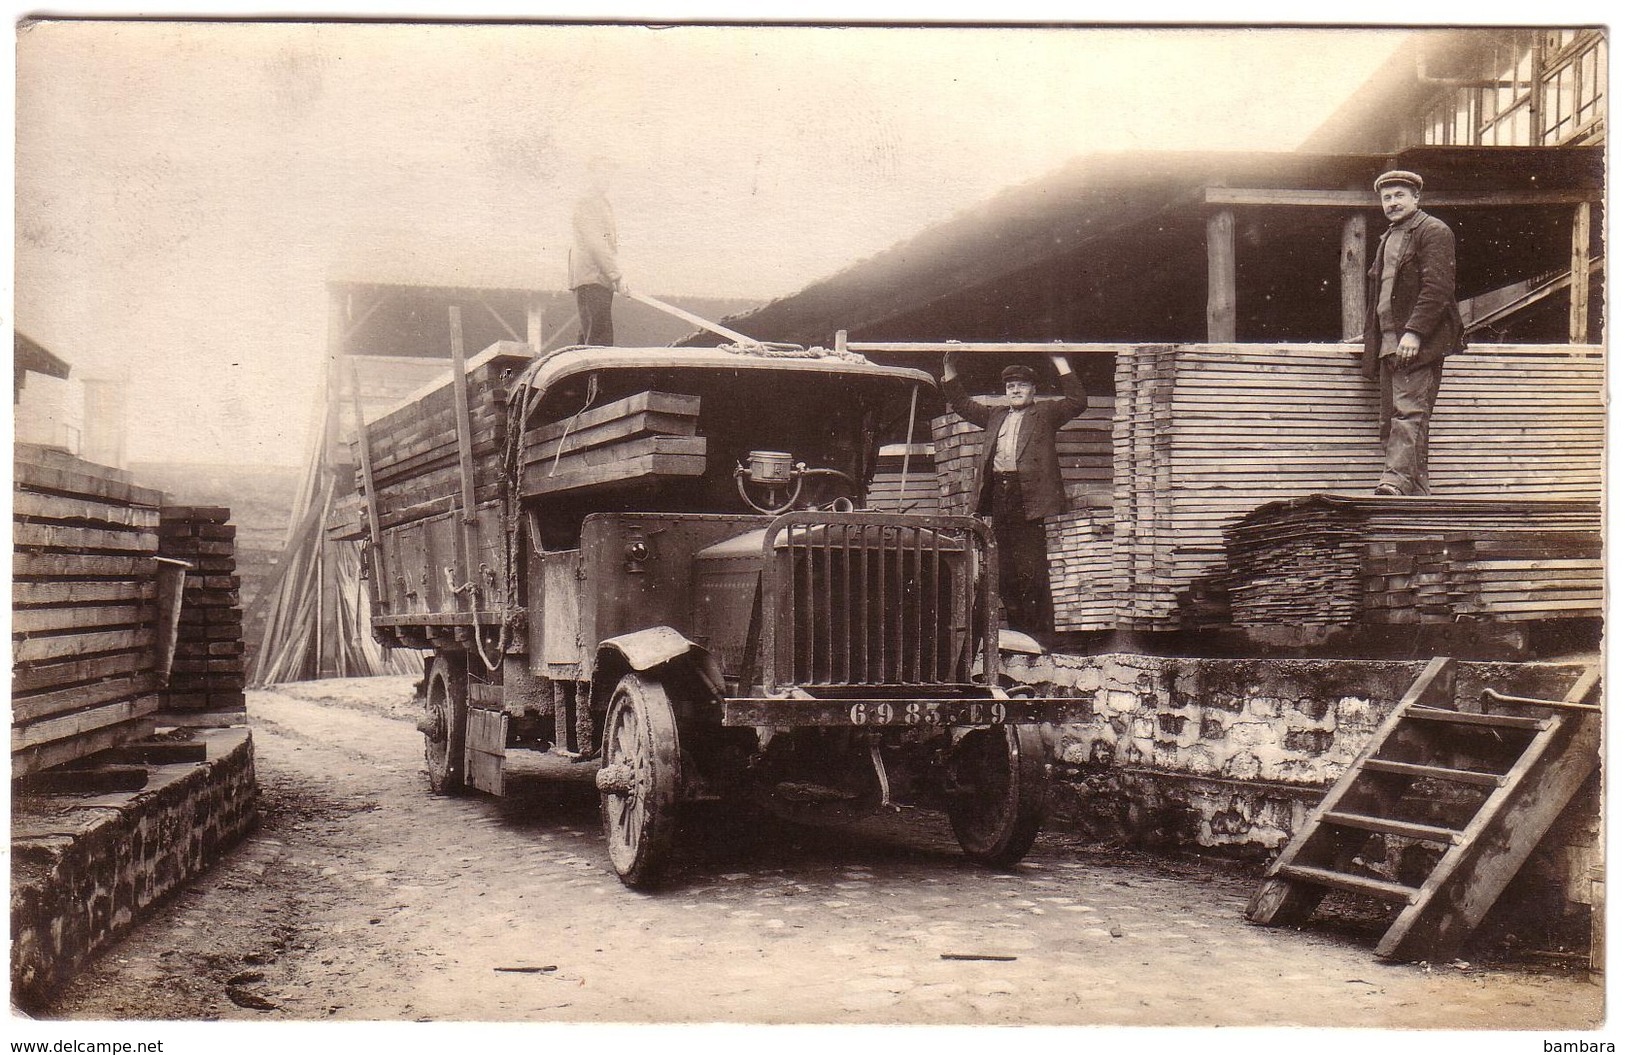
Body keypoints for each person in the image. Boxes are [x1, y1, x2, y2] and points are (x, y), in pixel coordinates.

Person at [942, 351, 1087, 632]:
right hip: (1000, 496)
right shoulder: (995, 415)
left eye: (1022, 386)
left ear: (1033, 390)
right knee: (1004, 571)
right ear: (1005, 391)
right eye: (1011, 387)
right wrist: (949, 369)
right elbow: (962, 404)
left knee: (1031, 572)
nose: (1016, 390)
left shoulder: (1045, 413)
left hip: (1028, 500)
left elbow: (1078, 402)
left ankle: (1041, 638)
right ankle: (1020, 635)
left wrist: (1060, 363)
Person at [1363, 169, 1466, 496]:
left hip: (1415, 345)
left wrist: (1414, 332)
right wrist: (1370, 338)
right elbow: (1381, 298)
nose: (1392, 203)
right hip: (1389, 347)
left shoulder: (1433, 231)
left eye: (1399, 196)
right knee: (1392, 425)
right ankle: (1417, 500)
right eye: (1386, 197)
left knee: (1408, 417)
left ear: (1416, 198)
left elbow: (1438, 288)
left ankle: (1392, 483)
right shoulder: (1388, 239)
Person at [569, 156, 625, 345]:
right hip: (592, 279)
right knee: (599, 343)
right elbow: (596, 243)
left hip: (598, 279)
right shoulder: (588, 202)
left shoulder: (601, 203)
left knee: (590, 339)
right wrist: (616, 276)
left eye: (610, 174)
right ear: (591, 174)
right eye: (603, 173)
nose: (607, 178)